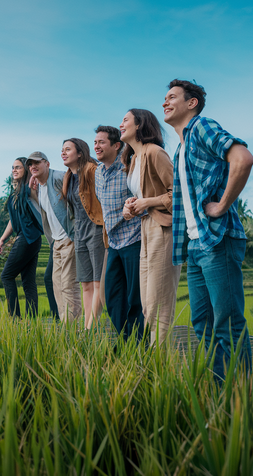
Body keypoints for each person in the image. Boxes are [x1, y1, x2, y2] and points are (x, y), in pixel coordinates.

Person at [163, 78, 253, 380]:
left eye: (172, 96)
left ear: (192, 103)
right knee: (202, 324)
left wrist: (222, 204)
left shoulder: (202, 127)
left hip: (217, 239)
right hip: (196, 244)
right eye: (164, 97)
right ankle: (220, 391)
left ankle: (240, 396)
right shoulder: (180, 149)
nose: (165, 101)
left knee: (227, 323)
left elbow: (242, 158)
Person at [120, 109, 181, 345]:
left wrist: (148, 202)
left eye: (126, 120)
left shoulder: (155, 152)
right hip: (145, 229)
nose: (121, 124)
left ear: (140, 125)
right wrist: (131, 205)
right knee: (148, 303)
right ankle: (156, 366)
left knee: (159, 303)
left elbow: (177, 194)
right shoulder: (135, 159)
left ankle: (161, 366)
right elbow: (144, 196)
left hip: (162, 229)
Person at [94, 126, 144, 343]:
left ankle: (140, 345)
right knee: (112, 296)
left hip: (134, 239)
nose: (96, 146)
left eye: (101, 142)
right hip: (113, 243)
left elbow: (142, 196)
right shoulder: (97, 172)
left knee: (135, 297)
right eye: (95, 142)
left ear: (116, 145)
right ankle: (125, 341)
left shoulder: (128, 167)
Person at [27, 151, 82, 323]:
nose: (33, 166)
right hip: (56, 242)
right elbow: (44, 212)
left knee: (68, 285)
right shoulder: (39, 187)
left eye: (37, 162)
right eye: (30, 164)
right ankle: (66, 325)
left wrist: (77, 229)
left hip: (68, 238)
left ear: (47, 164)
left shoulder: (59, 176)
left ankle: (74, 328)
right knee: (57, 285)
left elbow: (79, 196)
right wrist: (32, 193)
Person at [61, 138, 106, 329]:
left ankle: (90, 327)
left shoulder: (92, 170)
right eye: (62, 150)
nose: (63, 153)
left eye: (68, 149)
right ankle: (88, 325)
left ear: (80, 153)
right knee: (85, 284)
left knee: (98, 283)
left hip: (95, 229)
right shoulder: (68, 177)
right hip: (79, 232)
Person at [0, 157, 43, 318]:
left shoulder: (28, 189)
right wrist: (2, 239)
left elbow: (39, 200)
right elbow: (13, 219)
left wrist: (34, 183)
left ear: (26, 169)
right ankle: (31, 322)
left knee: (6, 275)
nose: (14, 170)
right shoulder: (15, 193)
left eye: (18, 167)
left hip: (28, 238)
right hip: (30, 239)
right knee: (28, 282)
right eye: (12, 168)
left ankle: (15, 320)